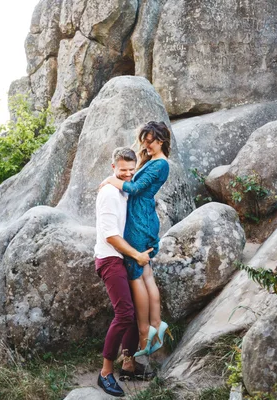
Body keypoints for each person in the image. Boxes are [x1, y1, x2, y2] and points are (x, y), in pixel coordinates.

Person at [100, 121, 173, 357]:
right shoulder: (154, 161)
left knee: (136, 275)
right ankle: (156, 324)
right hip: (144, 218)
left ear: (160, 140)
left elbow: (135, 187)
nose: (145, 144)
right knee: (147, 274)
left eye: (149, 140)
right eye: (144, 140)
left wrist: (113, 180)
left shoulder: (160, 163)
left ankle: (144, 333)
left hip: (140, 222)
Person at [94, 147, 156, 398]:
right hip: (111, 258)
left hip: (125, 257)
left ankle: (128, 364)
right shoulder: (109, 193)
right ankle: (105, 373)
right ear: (113, 168)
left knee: (133, 312)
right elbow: (110, 236)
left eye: (132, 170)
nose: (128, 174)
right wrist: (137, 255)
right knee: (125, 313)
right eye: (122, 170)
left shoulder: (123, 188)